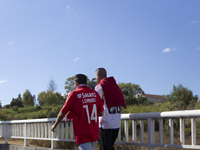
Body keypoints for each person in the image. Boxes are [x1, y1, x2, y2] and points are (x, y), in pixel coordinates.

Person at [51, 74, 104, 150]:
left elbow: (63, 112)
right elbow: (101, 113)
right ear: (86, 83)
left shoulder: (74, 94)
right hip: (94, 131)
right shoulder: (95, 94)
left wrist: (55, 125)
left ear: (76, 83)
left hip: (82, 132)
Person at [95, 68, 126, 150]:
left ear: (98, 75)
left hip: (105, 123)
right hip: (116, 123)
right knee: (110, 147)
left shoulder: (100, 86)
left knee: (104, 148)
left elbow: (95, 103)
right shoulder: (115, 85)